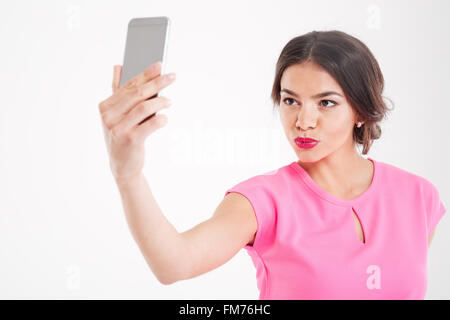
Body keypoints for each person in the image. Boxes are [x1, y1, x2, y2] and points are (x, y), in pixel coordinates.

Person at [98, 30, 446, 299]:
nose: (303, 121)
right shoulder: (261, 201)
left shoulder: (419, 196)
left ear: (360, 110)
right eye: (290, 100)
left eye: (326, 103)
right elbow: (174, 262)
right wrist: (127, 174)